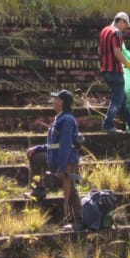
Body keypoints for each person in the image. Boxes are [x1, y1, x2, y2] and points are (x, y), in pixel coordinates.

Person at [26, 90, 83, 229]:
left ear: (62, 102)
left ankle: (77, 220)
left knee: (69, 187)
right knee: (37, 158)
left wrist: (62, 168)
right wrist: (38, 148)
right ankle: (39, 189)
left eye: (56, 99)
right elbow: (54, 144)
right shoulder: (60, 118)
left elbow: (65, 145)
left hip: (66, 159)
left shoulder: (67, 120)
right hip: (55, 157)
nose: (53, 101)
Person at [98, 12, 130, 133]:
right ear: (122, 21)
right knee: (117, 100)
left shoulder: (104, 31)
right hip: (115, 71)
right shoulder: (116, 33)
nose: (125, 28)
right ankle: (108, 125)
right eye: (125, 25)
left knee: (121, 100)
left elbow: (99, 50)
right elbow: (118, 53)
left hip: (105, 70)